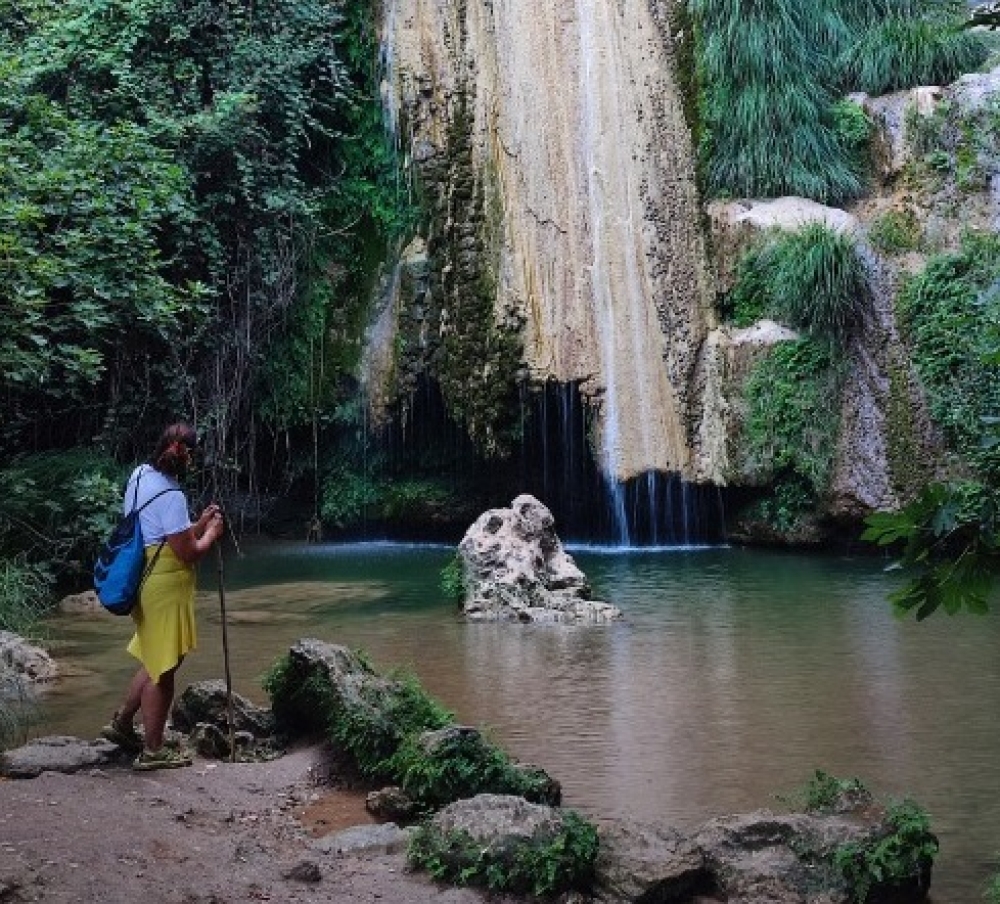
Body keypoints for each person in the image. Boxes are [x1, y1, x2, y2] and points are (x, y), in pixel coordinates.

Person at [101, 422, 224, 770]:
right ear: (189, 459)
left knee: (155, 656)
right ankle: (153, 750)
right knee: (164, 668)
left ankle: (123, 724)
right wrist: (212, 533)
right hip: (165, 586)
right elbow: (188, 552)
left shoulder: (140, 476)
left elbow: (168, 535)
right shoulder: (172, 496)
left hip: (144, 577)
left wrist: (198, 522)